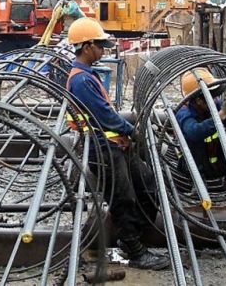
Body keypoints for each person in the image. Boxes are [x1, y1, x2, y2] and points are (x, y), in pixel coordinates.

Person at [64, 17, 169, 271]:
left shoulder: (87, 76)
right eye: (100, 46)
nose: (102, 50)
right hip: (104, 150)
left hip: (115, 146)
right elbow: (104, 116)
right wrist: (131, 130)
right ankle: (135, 251)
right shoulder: (81, 80)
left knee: (147, 185)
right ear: (87, 46)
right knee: (124, 199)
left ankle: (131, 238)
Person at [175, 68, 226, 182]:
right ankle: (199, 182)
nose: (216, 99)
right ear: (198, 100)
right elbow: (194, 132)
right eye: (212, 96)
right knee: (195, 141)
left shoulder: (215, 103)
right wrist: (222, 115)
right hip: (194, 167)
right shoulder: (184, 112)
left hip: (215, 162)